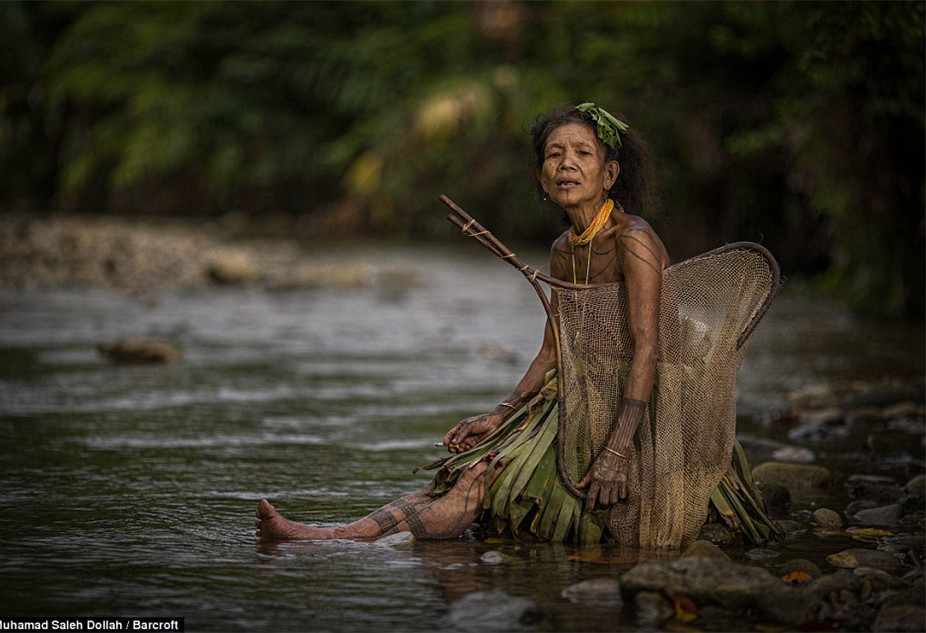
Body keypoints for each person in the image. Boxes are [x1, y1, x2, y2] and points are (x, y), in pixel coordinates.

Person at [256, 102, 781, 549]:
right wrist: (499, 413)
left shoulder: (633, 240)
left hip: (652, 407)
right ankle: (327, 536)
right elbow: (554, 351)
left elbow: (649, 349)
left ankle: (332, 539)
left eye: (582, 154)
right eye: (555, 155)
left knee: (478, 486)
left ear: (610, 174)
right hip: (578, 392)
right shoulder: (561, 251)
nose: (566, 165)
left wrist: (619, 452)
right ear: (541, 176)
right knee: (465, 471)